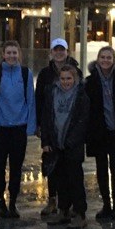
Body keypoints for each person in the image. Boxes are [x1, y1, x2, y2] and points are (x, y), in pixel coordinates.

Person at [0, 40, 37, 219]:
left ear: (19, 54)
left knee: (17, 166)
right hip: (0, 127)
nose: (12, 56)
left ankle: (13, 200)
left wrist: (30, 124)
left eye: (15, 53)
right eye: (9, 53)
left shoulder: (26, 73)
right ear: (3, 54)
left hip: (19, 127)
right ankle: (1, 200)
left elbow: (30, 99)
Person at [84, 46, 115, 221]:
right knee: (101, 169)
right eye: (102, 57)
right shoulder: (90, 81)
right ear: (98, 59)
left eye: (109, 57)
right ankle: (106, 203)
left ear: (114, 60)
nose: (105, 60)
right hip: (99, 132)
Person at [41, 63, 90, 228]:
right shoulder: (52, 92)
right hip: (56, 144)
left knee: (75, 179)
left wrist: (72, 140)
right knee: (60, 179)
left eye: (69, 78)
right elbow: (46, 117)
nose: (66, 82)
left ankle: (80, 212)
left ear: (74, 78)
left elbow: (83, 121)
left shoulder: (81, 95)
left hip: (72, 145)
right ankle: (63, 210)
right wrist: (46, 141)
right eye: (62, 78)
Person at [35, 38, 78, 217]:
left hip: (70, 126)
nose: (59, 53)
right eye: (56, 50)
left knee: (70, 166)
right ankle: (52, 199)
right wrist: (39, 125)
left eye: (62, 50)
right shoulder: (45, 74)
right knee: (51, 164)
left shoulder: (76, 72)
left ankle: (70, 201)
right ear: (51, 52)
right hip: (51, 126)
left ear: (67, 52)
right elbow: (39, 100)